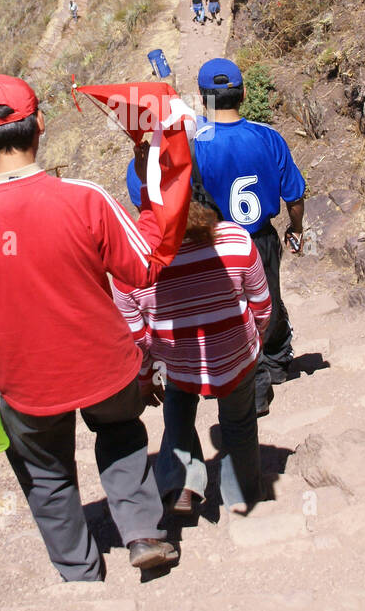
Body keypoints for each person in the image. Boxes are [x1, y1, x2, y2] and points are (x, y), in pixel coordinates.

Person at [0, 74, 178, 580]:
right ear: (40, 124)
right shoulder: (84, 200)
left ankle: (78, 573)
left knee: (46, 475)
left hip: (26, 384)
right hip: (104, 365)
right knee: (121, 434)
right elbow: (146, 264)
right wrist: (157, 199)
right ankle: (143, 532)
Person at [114, 193, 271, 516]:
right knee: (238, 422)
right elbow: (262, 304)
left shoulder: (130, 266)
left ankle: (182, 481)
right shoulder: (235, 240)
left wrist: (145, 379)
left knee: (177, 408)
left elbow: (137, 338)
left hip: (174, 361)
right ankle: (239, 494)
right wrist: (258, 339)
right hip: (234, 352)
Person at [192, 58, 306, 417]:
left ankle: (236, 377)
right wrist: (296, 228)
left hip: (216, 242)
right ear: (242, 93)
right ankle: (274, 364)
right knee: (267, 298)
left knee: (225, 310)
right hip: (261, 238)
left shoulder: (194, 144)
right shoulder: (268, 137)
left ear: (201, 98)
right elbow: (295, 196)